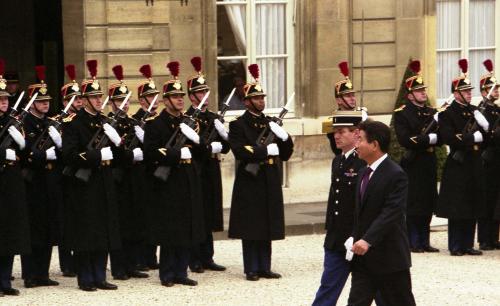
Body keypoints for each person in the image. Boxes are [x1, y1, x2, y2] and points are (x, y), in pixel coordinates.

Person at [227, 64, 294, 281]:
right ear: (246, 101)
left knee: (267, 223)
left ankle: (265, 266)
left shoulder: (270, 123)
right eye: (256, 99)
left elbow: (286, 152)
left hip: (269, 178)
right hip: (250, 180)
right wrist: (265, 150)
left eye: (262, 98)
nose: (261, 102)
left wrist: (284, 137)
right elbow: (239, 151)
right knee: (251, 225)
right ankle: (251, 268)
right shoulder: (238, 125)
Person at [143, 61, 205, 287]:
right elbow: (150, 153)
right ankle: (167, 273)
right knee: (170, 229)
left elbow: (201, 152)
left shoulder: (190, 123)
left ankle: (181, 270)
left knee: (187, 227)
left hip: (187, 179)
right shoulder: (155, 125)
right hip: (167, 181)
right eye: (175, 97)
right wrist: (176, 154)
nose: (180, 100)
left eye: (182, 97)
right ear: (166, 101)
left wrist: (197, 141)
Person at [62, 60, 121, 291]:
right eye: (94, 97)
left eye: (100, 97)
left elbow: (120, 156)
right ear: (84, 100)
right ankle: (86, 277)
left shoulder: (105, 122)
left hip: (104, 182)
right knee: (87, 232)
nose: (99, 100)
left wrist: (117, 143)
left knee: (104, 230)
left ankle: (100, 275)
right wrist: (97, 156)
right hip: (84, 185)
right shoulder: (73, 124)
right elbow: (69, 155)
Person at [346, 120, 415, 306]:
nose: (356, 145)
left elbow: (391, 213)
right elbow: (361, 212)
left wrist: (367, 239)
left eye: (360, 140)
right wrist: (353, 236)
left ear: (374, 145)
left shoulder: (396, 174)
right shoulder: (363, 172)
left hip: (389, 259)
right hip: (363, 261)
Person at [435, 59, 487, 256]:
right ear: (456, 94)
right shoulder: (447, 113)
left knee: (473, 202)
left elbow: (487, 137)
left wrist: (486, 129)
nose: (468, 94)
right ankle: (456, 245)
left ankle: (468, 244)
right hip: (458, 163)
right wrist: (471, 137)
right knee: (458, 206)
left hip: (474, 162)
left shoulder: (475, 111)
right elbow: (450, 137)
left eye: (469, 91)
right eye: (465, 92)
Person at [313, 111, 366, 305]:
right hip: (337, 238)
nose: (336, 135)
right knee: (328, 287)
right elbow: (335, 199)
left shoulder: (363, 161)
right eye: (335, 131)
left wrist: (357, 233)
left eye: (342, 131)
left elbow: (365, 203)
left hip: (358, 237)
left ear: (356, 133)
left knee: (370, 289)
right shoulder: (338, 160)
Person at [186, 57, 229, 273]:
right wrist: (209, 148)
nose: (205, 96)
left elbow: (227, 146)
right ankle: (194, 258)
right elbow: (191, 147)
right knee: (197, 214)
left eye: (206, 92)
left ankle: (208, 256)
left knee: (211, 212)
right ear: (192, 96)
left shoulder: (213, 117)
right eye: (200, 93)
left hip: (211, 169)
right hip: (196, 170)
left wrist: (223, 136)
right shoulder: (187, 118)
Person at [107, 65, 149, 281]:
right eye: (119, 101)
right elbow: (111, 152)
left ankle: (133, 263)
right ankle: (119, 267)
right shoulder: (107, 125)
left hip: (134, 178)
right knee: (120, 223)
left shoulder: (133, 123)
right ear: (112, 103)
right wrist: (131, 156)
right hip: (117, 178)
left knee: (135, 220)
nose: (123, 104)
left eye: (125, 100)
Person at [20, 66, 61, 288]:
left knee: (47, 228)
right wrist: (41, 155)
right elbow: (23, 152)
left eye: (47, 101)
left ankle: (43, 273)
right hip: (32, 182)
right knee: (33, 229)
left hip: (49, 181)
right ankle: (30, 274)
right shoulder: (24, 123)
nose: (45, 104)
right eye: (41, 101)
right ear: (32, 102)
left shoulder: (50, 123)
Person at [393, 60, 440, 253]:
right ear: (410, 94)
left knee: (428, 200)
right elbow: (405, 140)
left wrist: (431, 139)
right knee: (414, 202)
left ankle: (424, 240)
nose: (423, 93)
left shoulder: (431, 112)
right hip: (413, 163)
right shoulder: (402, 113)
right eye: (419, 91)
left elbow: (442, 136)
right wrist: (428, 139)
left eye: (423, 90)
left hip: (428, 161)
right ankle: (413, 240)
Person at [0, 59, 31, 296]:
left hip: (10, 182)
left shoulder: (14, 121)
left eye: (5, 100)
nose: (4, 103)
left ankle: (5, 282)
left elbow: (26, 152)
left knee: (10, 231)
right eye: (0, 100)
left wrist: (21, 145)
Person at [57, 64, 84, 278]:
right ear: (65, 102)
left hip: (80, 173)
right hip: (62, 175)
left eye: (80, 99)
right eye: (74, 99)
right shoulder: (59, 121)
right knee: (66, 219)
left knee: (79, 218)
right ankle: (67, 262)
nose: (79, 102)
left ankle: (81, 259)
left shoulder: (81, 122)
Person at [134, 64, 160, 271]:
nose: (157, 101)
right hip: (140, 173)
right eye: (151, 97)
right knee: (141, 216)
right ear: (142, 101)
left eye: (157, 97)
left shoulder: (158, 121)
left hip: (157, 173)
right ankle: (141, 257)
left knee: (155, 215)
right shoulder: (135, 121)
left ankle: (152, 257)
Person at [476, 59, 500, 250]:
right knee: (486, 199)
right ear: (484, 92)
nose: (497, 91)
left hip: (497, 158)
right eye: (492, 88)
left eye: (497, 88)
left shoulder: (496, 110)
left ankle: (494, 236)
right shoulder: (480, 111)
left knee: (497, 200)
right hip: (486, 159)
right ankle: (485, 238)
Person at [323, 62, 367, 155]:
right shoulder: (332, 121)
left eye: (353, 95)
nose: (352, 98)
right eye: (348, 96)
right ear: (339, 100)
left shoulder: (361, 114)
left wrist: (367, 123)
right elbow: (337, 149)